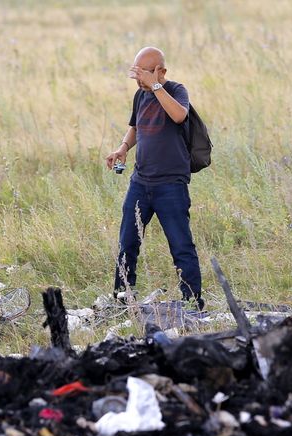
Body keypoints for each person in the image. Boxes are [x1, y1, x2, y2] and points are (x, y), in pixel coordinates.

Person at [105, 46, 203, 309]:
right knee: (127, 242)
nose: (140, 80)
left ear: (161, 71)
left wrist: (157, 87)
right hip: (140, 182)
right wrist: (123, 148)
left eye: (145, 74)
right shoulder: (141, 95)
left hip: (171, 185)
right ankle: (122, 299)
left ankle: (192, 302)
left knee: (181, 246)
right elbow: (135, 127)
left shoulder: (176, 90)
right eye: (137, 74)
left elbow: (179, 115)